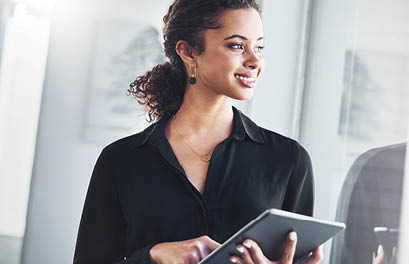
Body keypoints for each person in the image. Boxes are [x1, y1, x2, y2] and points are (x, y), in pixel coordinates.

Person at [73, 0, 323, 263]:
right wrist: (154, 256)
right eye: (237, 45)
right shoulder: (120, 160)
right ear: (188, 51)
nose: (254, 60)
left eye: (259, 47)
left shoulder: (288, 160)